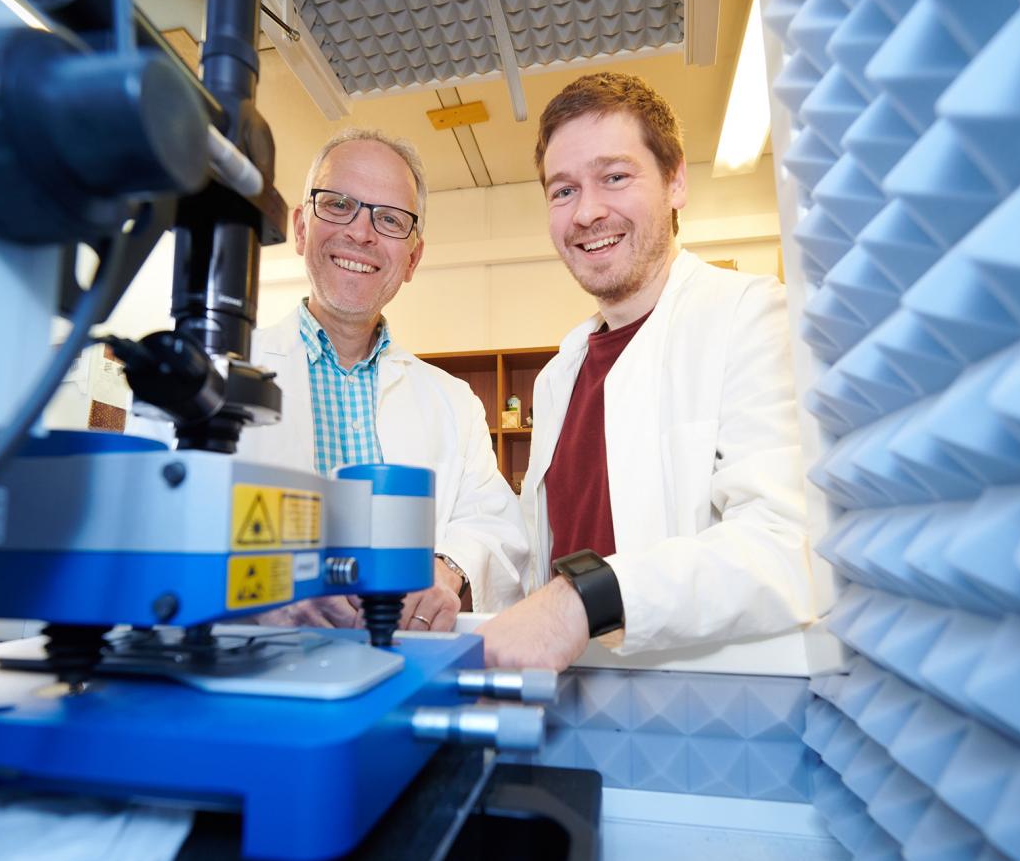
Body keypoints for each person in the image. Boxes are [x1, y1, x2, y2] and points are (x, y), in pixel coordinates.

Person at [480, 73, 815, 670]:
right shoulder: (559, 375)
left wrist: (586, 600)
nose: (587, 212)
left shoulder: (750, 315)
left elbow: (786, 547)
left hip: (696, 699)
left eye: (615, 176)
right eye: (563, 190)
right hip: (572, 688)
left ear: (676, 180)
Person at [236, 128, 528, 631]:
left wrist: (447, 570)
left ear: (412, 258)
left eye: (389, 219)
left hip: (406, 659)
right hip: (253, 662)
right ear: (301, 229)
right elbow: (148, 530)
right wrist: (261, 592)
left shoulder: (455, 403)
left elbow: (494, 525)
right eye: (338, 204)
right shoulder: (218, 373)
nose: (361, 232)